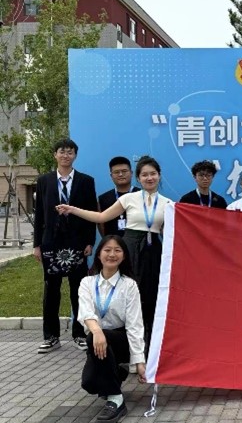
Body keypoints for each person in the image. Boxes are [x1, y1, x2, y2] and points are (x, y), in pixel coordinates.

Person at [56, 156, 172, 353]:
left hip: (153, 254)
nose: (149, 178)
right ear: (138, 178)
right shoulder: (128, 199)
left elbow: (171, 233)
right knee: (126, 298)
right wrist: (73, 209)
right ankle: (123, 349)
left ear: (159, 176)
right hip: (129, 251)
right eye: (144, 175)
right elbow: (101, 217)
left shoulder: (168, 204)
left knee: (151, 300)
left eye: (153, 174)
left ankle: (148, 351)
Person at [34, 139, 97, 353]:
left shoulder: (86, 181)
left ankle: (79, 334)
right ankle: (51, 336)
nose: (65, 155)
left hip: (76, 242)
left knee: (78, 290)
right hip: (51, 242)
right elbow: (39, 214)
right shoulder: (44, 181)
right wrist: (37, 245)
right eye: (62, 151)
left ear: (75, 156)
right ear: (55, 154)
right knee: (51, 291)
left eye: (70, 152)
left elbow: (91, 212)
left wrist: (90, 241)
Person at [78, 235, 146, 422]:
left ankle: (116, 399)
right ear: (98, 254)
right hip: (98, 340)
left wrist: (139, 361)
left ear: (123, 256)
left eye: (117, 250)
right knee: (89, 384)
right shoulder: (87, 283)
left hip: (121, 340)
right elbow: (86, 313)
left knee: (95, 338)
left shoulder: (129, 285)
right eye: (107, 250)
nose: (112, 254)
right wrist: (97, 331)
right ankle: (117, 371)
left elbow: (135, 325)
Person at [98, 156, 140, 237]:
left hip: (138, 242)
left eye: (124, 171)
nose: (120, 174)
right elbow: (101, 224)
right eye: (116, 172)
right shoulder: (103, 199)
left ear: (131, 173)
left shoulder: (141, 195)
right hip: (113, 243)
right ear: (111, 176)